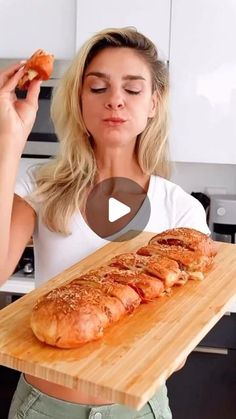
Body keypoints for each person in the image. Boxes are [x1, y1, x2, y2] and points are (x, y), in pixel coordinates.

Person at [0, 27, 210, 419]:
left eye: (132, 90)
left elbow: (176, 346)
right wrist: (9, 141)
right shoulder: (40, 188)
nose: (115, 100)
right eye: (97, 88)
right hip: (44, 407)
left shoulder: (181, 212)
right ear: (79, 101)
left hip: (139, 409)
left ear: (153, 103)